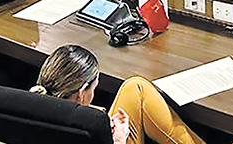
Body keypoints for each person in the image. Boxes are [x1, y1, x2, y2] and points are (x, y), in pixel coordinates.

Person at [31, 44, 207, 144]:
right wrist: (119, 139)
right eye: (93, 88)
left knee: (135, 87)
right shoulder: (84, 132)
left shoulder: (30, 110)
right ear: (81, 93)